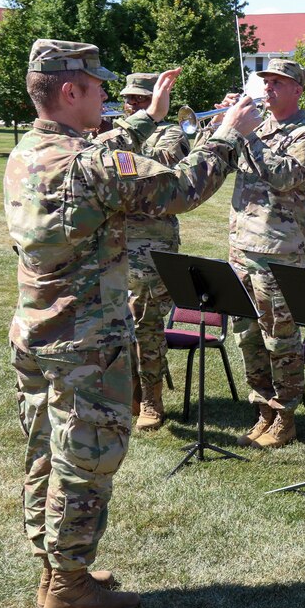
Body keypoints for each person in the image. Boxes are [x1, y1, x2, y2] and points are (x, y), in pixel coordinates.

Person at [6, 39, 259, 608]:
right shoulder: (91, 164)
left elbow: (103, 153)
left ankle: (56, 570)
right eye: (98, 88)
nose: (107, 99)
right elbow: (179, 189)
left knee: (47, 452)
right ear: (71, 91)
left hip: (37, 332)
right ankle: (70, 588)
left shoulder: (28, 152)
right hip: (85, 342)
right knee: (86, 460)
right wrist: (228, 134)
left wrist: (149, 119)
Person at [220, 59, 305, 449]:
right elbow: (211, 155)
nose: (268, 88)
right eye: (265, 80)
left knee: (280, 336)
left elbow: (286, 177)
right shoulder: (255, 124)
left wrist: (249, 136)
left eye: (278, 83)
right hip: (241, 246)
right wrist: (224, 123)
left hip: (279, 251)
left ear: (297, 90)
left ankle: (285, 415)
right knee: (246, 334)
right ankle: (262, 408)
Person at [114, 73, 190, 430]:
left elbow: (147, 171)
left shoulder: (172, 134)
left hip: (151, 244)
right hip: (114, 241)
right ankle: (125, 393)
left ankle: (151, 400)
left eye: (139, 101)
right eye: (128, 100)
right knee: (116, 323)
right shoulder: (114, 132)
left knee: (146, 324)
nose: (131, 106)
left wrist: (127, 137)